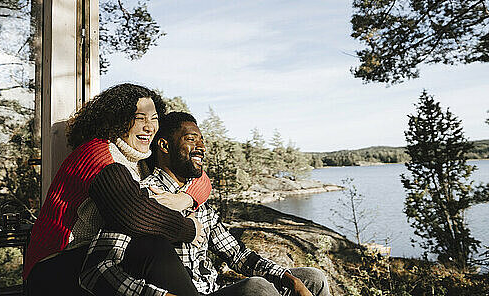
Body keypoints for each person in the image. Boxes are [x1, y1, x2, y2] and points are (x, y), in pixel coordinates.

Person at [81, 112, 331, 296]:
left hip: (214, 289)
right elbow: (96, 270)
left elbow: (239, 255)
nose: (201, 147)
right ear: (164, 146)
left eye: (202, 140)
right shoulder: (140, 200)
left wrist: (286, 278)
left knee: (313, 278)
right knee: (257, 288)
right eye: (191, 139)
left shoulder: (195, 199)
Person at [24, 84, 212, 296]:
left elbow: (198, 175)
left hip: (101, 255)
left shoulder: (140, 158)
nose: (150, 127)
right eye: (140, 118)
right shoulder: (97, 155)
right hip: (53, 268)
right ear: (117, 119)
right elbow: (135, 215)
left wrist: (186, 199)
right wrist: (189, 229)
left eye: (154, 119)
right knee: (152, 246)